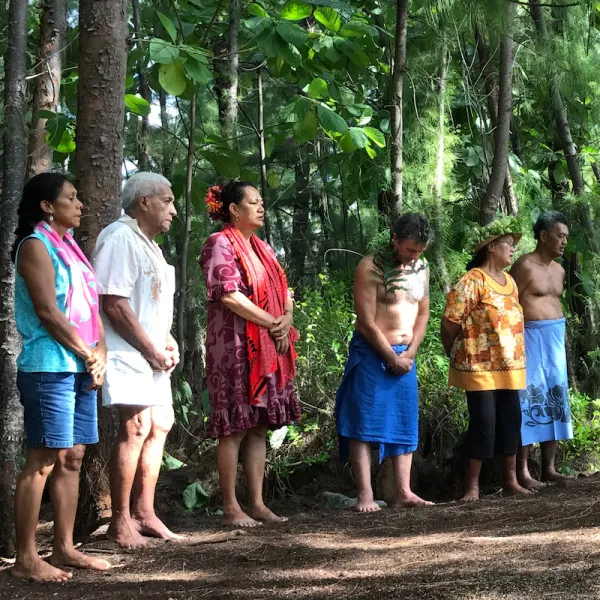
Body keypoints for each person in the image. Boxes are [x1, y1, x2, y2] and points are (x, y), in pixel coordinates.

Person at [11, 173, 110, 582]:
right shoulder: (35, 246)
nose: (80, 204)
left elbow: (91, 308)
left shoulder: (71, 248)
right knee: (43, 460)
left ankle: (65, 548)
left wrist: (100, 350)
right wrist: (88, 353)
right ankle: (25, 558)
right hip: (48, 366)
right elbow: (48, 312)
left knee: (72, 457)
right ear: (47, 207)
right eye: (71, 197)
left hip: (80, 366)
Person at [200, 182, 300, 527]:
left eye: (261, 202)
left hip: (269, 344)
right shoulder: (219, 243)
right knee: (234, 427)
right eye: (253, 202)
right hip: (235, 348)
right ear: (233, 209)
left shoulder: (264, 247)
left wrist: (285, 320)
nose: (261, 208)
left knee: (258, 426)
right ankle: (231, 507)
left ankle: (256, 503)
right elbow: (228, 294)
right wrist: (275, 322)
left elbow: (284, 289)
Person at [92, 172, 180, 548]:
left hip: (152, 351)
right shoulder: (119, 236)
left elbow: (153, 304)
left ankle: (146, 512)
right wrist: (150, 348)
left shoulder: (150, 246)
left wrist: (169, 341)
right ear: (143, 201)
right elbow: (112, 302)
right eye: (167, 201)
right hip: (127, 350)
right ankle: (120, 521)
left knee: (160, 423)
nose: (173, 210)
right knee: (135, 427)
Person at [335, 214, 434, 513]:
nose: (414, 255)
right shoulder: (370, 267)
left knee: (405, 421)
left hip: (406, 354)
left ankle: (404, 491)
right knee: (363, 422)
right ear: (394, 238)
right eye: (408, 249)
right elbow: (365, 321)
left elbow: (422, 314)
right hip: (373, 352)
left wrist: (410, 353)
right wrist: (390, 356)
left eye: (419, 250)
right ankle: (365, 494)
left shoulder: (422, 268)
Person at [441, 218, 531, 501]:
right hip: (479, 366)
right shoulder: (473, 279)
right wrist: (454, 352)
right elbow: (450, 321)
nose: (513, 249)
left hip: (510, 366)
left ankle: (511, 481)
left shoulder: (511, 282)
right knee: (484, 421)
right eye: (508, 244)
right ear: (492, 247)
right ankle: (472, 487)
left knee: (511, 420)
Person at [509, 211, 572, 489]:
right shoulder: (523, 266)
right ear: (544, 236)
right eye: (560, 236)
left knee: (555, 398)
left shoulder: (559, 270)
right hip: (529, 339)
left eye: (566, 237)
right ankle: (523, 472)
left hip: (555, 338)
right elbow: (508, 303)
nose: (564, 242)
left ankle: (549, 468)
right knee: (528, 400)